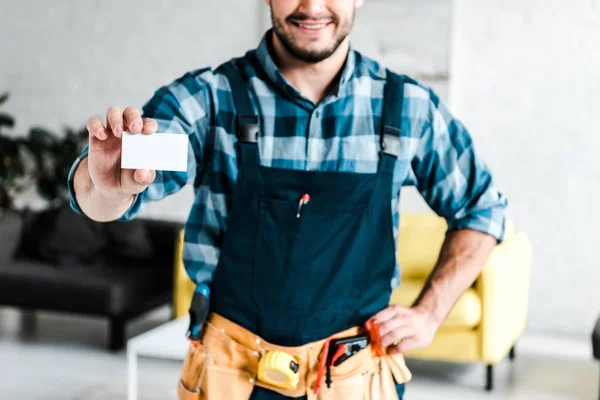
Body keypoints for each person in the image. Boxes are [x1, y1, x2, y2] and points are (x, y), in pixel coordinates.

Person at [68, 0, 507, 399]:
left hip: (358, 380)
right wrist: (107, 186)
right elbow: (107, 193)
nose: (312, 6)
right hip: (229, 375)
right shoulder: (209, 97)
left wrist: (430, 312)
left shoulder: (409, 108)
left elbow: (482, 208)